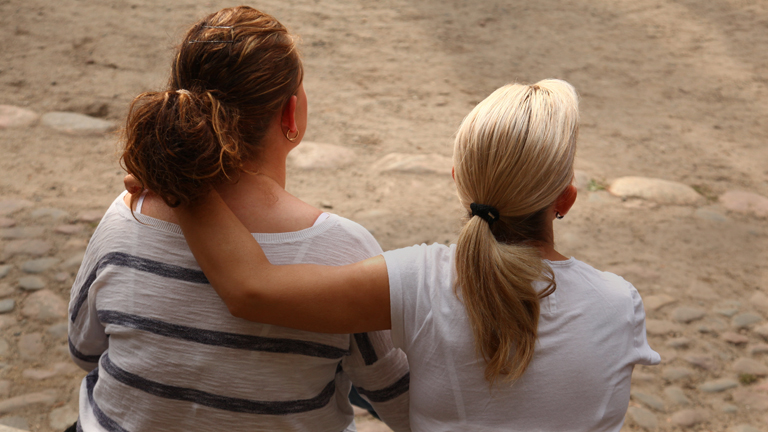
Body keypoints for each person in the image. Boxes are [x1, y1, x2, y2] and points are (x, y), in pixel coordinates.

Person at [143, 78, 661, 431]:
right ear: (565, 200)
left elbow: (249, 289)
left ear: (459, 181)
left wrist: (182, 182)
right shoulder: (620, 305)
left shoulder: (418, 279)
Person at [67, 6, 410, 432]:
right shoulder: (343, 250)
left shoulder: (128, 214)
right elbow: (397, 399)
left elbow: (83, 349)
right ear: (291, 115)